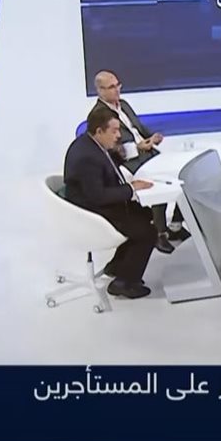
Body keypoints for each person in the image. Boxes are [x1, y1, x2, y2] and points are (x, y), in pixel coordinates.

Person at [63, 107, 158, 299]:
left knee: (145, 213)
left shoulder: (91, 144)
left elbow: (111, 163)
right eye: (114, 131)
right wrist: (131, 189)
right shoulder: (87, 157)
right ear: (99, 131)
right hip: (91, 212)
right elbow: (98, 196)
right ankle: (124, 283)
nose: (118, 136)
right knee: (147, 232)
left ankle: (118, 266)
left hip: (94, 203)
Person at [91, 70, 189, 254]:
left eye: (118, 85)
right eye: (111, 87)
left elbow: (138, 127)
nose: (117, 90)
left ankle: (176, 224)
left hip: (147, 151)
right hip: (130, 161)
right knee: (159, 183)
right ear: (100, 90)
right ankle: (159, 233)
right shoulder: (99, 115)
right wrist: (137, 147)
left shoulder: (124, 105)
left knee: (184, 174)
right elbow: (110, 149)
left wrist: (152, 137)